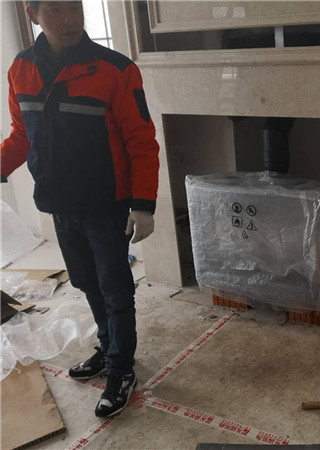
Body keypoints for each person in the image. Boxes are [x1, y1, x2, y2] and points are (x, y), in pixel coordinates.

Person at [0, 1, 159, 417]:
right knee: (87, 282)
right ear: (33, 14)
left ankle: (122, 368)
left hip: (106, 204)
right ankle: (108, 348)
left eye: (75, 7)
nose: (69, 19)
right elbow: (21, 136)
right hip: (60, 203)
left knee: (115, 289)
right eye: (55, 9)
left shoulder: (116, 70)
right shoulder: (20, 69)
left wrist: (143, 204)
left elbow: (141, 141)